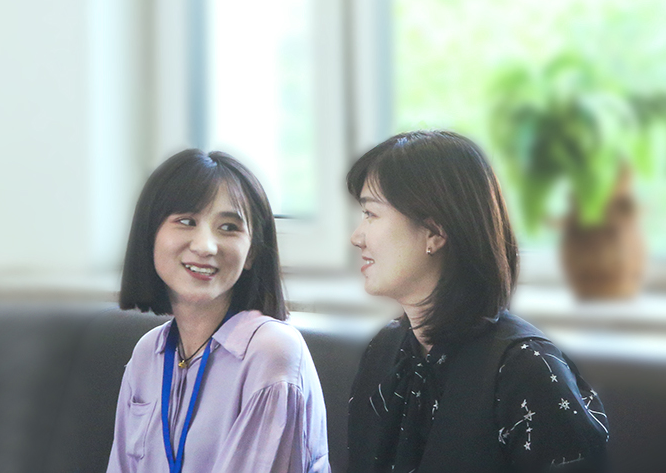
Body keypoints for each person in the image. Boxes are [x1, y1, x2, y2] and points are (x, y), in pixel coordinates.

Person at [346, 130, 609, 473]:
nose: (357, 237)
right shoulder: (385, 348)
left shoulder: (526, 369)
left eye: (371, 214)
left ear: (435, 231)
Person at [106, 149, 330, 473]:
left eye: (228, 227)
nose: (205, 246)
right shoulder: (147, 355)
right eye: (187, 221)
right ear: (150, 235)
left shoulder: (271, 352)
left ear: (251, 253)